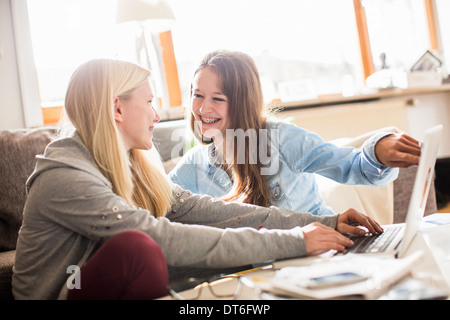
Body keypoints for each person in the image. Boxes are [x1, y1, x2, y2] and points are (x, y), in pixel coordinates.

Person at [12, 58, 382, 300]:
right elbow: (159, 238)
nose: (158, 116)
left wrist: (323, 223)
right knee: (139, 249)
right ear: (117, 108)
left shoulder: (133, 164)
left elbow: (212, 212)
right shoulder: (66, 175)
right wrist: (293, 242)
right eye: (150, 103)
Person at [169, 50, 421, 216]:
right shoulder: (194, 165)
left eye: (217, 98)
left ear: (241, 101)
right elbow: (154, 199)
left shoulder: (282, 140)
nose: (202, 108)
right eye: (197, 95)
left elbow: (353, 166)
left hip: (321, 251)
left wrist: (377, 152)